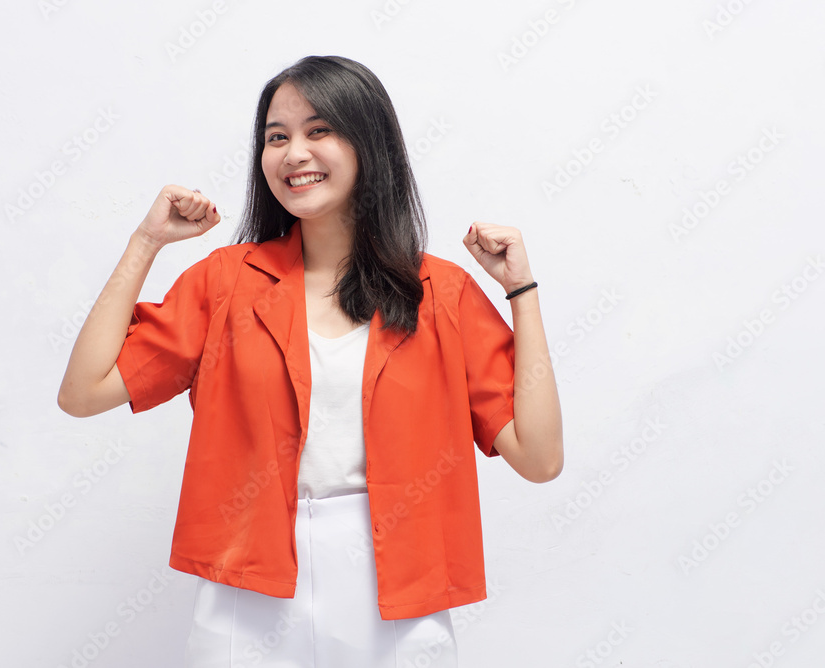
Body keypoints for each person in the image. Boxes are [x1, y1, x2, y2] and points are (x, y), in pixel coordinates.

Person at [58, 55, 563, 667]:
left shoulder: (440, 292)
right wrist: (146, 242)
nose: (294, 153)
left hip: (397, 585)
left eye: (318, 130)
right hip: (249, 582)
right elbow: (83, 392)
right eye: (277, 137)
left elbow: (539, 459)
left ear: (369, 144)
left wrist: (521, 292)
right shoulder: (227, 282)